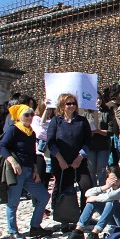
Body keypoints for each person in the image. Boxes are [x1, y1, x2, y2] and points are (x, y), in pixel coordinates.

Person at [0, 104, 52, 239]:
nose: (29, 117)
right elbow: (2, 146)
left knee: (44, 196)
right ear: (19, 116)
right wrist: (12, 161)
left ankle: (35, 226)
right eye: (26, 115)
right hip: (17, 171)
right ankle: (13, 232)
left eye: (31, 115)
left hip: (29, 171)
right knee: (13, 202)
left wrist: (35, 170)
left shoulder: (31, 132)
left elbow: (32, 153)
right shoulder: (13, 130)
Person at [62, 165, 120, 239]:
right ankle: (78, 231)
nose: (115, 182)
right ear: (107, 179)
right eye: (112, 180)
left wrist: (94, 198)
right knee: (93, 202)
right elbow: (87, 193)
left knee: (111, 201)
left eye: (117, 179)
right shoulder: (109, 187)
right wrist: (105, 187)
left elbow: (109, 197)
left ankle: (95, 233)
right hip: (115, 220)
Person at [47, 93, 93, 224]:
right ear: (62, 105)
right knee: (64, 189)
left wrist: (80, 157)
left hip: (79, 161)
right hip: (61, 162)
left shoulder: (82, 121)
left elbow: (88, 141)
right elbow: (50, 142)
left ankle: (85, 217)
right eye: (69, 103)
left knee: (87, 187)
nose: (72, 106)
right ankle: (65, 218)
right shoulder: (56, 121)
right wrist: (60, 159)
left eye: (74, 103)